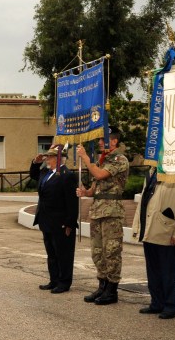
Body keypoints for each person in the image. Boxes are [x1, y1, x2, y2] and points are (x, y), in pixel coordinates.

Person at [76, 130, 129, 305]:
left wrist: (85, 158)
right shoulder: (102, 160)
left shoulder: (119, 160)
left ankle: (112, 290)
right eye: (99, 139)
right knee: (97, 251)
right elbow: (94, 189)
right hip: (98, 210)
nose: (99, 142)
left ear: (113, 141)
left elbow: (100, 175)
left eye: (103, 139)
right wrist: (85, 192)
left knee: (111, 251)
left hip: (112, 212)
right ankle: (102, 285)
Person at [132, 167, 175, 319]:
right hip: (150, 229)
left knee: (169, 271)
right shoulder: (151, 172)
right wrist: (138, 226)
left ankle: (171, 305)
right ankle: (156, 302)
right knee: (153, 269)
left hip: (167, 230)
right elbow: (143, 202)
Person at [29, 144, 78, 293]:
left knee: (63, 253)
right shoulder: (45, 173)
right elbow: (33, 175)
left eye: (49, 156)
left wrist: (69, 223)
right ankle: (54, 280)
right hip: (46, 220)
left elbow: (72, 202)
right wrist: (35, 163)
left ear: (58, 159)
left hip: (61, 221)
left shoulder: (67, 175)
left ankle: (64, 282)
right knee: (51, 253)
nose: (46, 159)